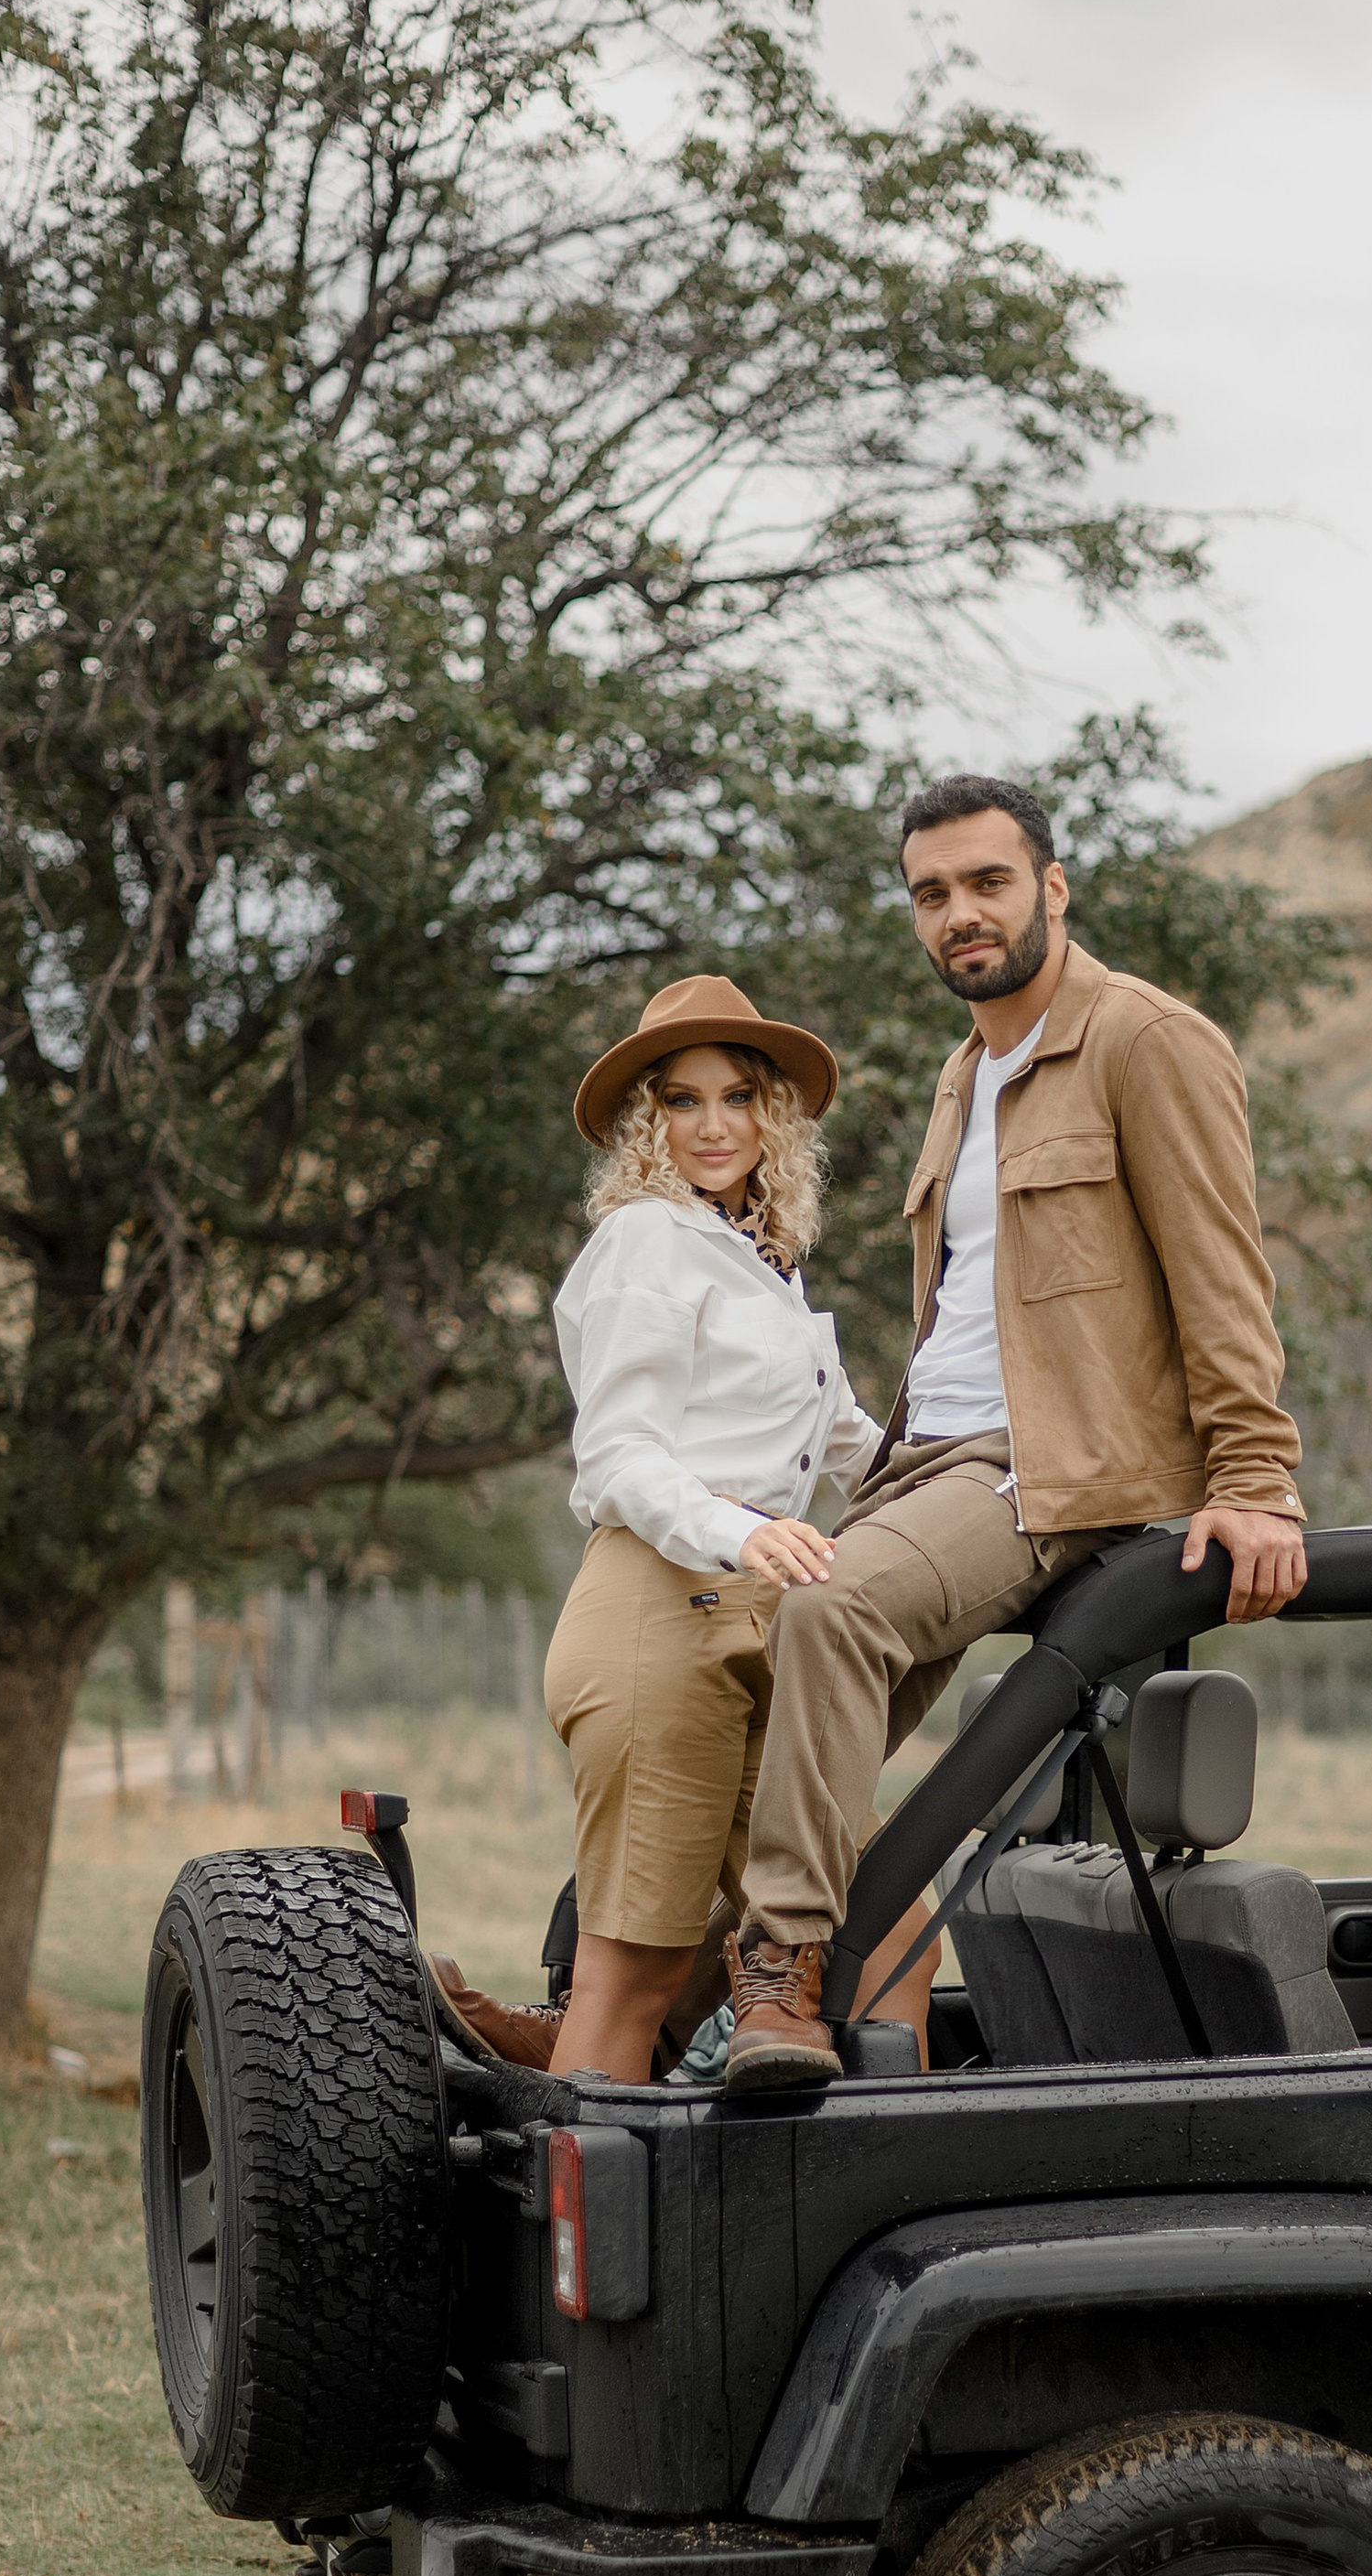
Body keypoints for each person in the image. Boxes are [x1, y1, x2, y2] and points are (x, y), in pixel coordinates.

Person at [720, 775, 1310, 2090]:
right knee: (730, 1682)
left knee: (830, 1612)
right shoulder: (963, 1072)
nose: (959, 915)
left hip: (1050, 1466)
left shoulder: (1147, 1041)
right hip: (924, 1459)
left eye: (987, 883)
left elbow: (1225, 1275)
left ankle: (779, 1988)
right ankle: (631, 2003)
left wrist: (1256, 1482)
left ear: (1054, 886)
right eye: (932, 894)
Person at [441, 974, 937, 2083]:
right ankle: (585, 2238)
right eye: (681, 1100)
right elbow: (619, 1457)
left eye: (737, 1097)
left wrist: (983, 1481)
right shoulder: (646, 1244)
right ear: (644, 1124)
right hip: (658, 1617)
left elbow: (846, 1438)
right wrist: (743, 1531)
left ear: (774, 1115)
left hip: (765, 1627)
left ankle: (864, 2181)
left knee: (894, 1921)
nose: (713, 1126)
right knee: (642, 1972)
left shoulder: (762, 1258)